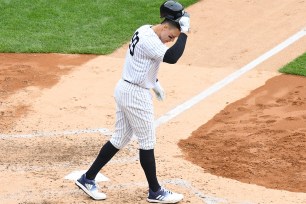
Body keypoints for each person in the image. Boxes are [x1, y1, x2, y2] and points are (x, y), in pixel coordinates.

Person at [75, 1, 190, 203]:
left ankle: (88, 178)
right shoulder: (151, 40)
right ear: (164, 26)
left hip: (126, 88)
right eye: (171, 36)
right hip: (135, 95)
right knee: (147, 142)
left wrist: (155, 83)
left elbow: (141, 63)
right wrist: (186, 33)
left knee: (120, 138)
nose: (170, 41)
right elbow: (172, 58)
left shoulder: (145, 29)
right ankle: (155, 191)